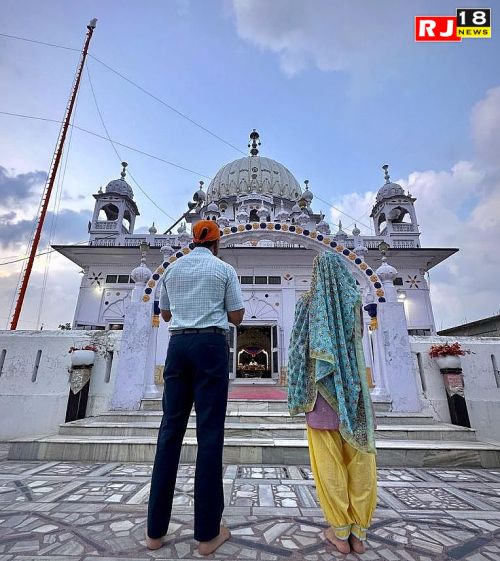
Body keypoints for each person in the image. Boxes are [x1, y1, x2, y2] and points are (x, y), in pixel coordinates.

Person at [146, 220, 245, 555]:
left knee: (170, 432)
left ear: (193, 240)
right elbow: (236, 316)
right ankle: (206, 535)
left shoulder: (172, 269)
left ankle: (154, 533)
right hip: (211, 347)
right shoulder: (224, 269)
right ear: (217, 243)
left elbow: (168, 315)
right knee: (210, 434)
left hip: (178, 348)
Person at [287, 251, 377, 555]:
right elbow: (357, 340)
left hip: (321, 395)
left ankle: (339, 532)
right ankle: (359, 534)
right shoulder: (353, 303)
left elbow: (298, 351)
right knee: (360, 459)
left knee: (328, 464)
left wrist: (296, 392)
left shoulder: (307, 303)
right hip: (353, 392)